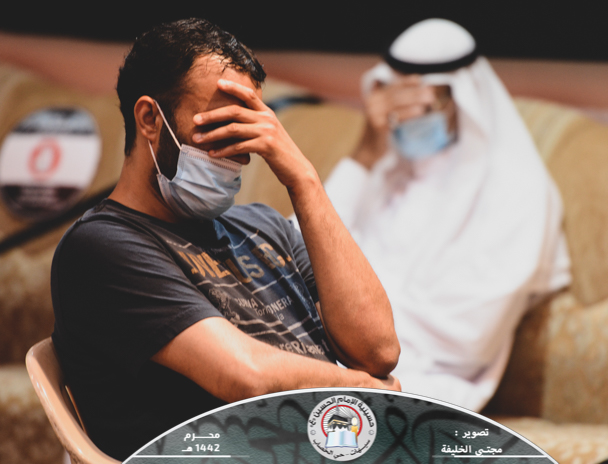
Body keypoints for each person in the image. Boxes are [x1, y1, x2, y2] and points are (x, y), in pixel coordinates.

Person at [50, 18, 400, 460]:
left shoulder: (265, 226)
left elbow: (378, 350)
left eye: (247, 126)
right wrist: (363, 390)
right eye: (221, 126)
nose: (240, 153)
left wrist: (304, 181)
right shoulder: (102, 246)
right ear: (150, 119)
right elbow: (244, 376)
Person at [323, 18, 571, 411]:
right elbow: (296, 255)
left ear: (463, 96)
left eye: (424, 102)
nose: (408, 116)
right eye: (396, 103)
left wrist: (341, 312)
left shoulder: (517, 191)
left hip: (423, 386)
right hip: (328, 360)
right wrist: (365, 154)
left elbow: (467, 338)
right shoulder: (383, 171)